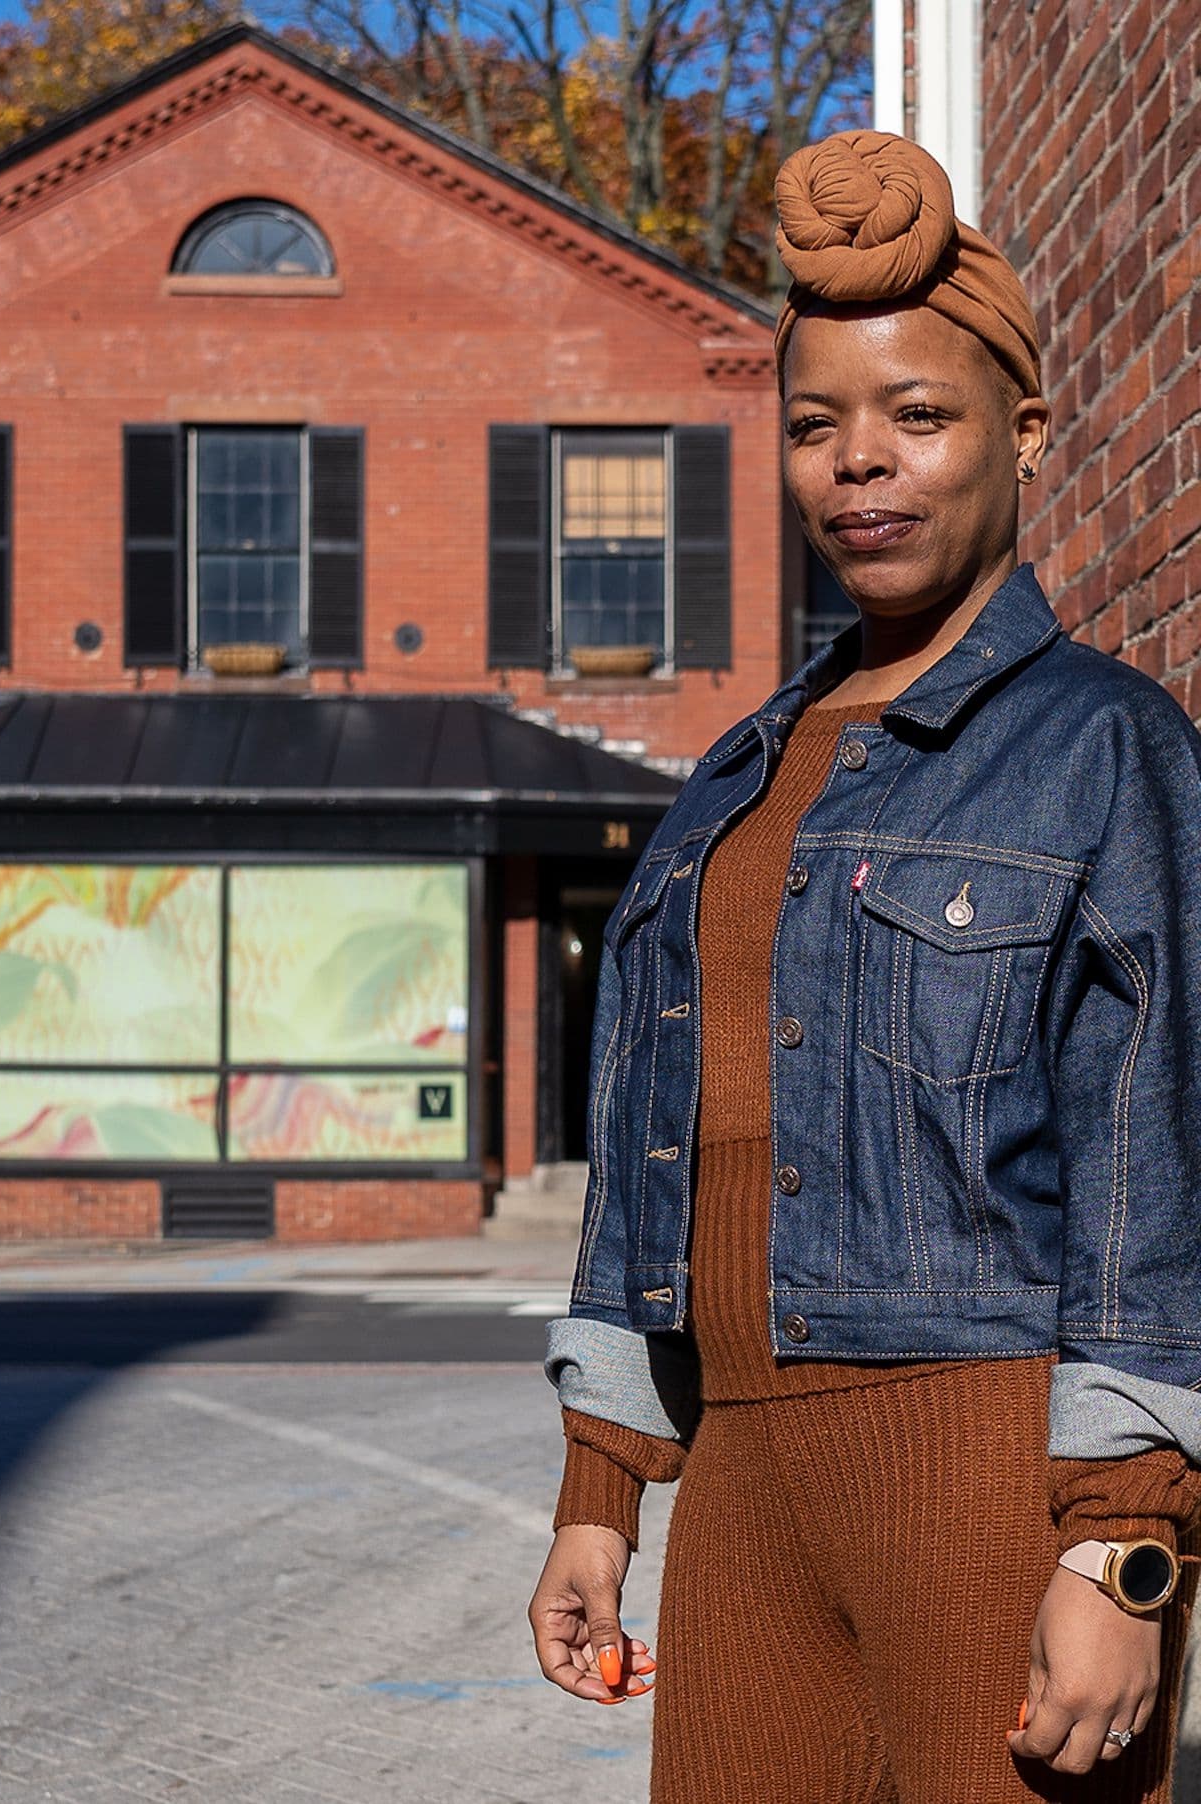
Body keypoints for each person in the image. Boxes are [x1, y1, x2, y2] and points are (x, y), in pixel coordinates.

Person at [526, 128, 1201, 1803]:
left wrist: (1127, 1544)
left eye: (919, 416)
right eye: (816, 426)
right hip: (747, 1483)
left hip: (988, 1473)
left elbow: (1158, 1156)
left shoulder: (1105, 747)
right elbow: (654, 1154)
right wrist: (600, 1492)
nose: (859, 466)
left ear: (1025, 434)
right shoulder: (730, 777)